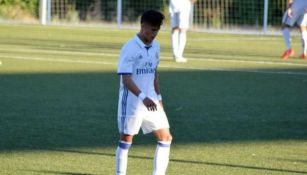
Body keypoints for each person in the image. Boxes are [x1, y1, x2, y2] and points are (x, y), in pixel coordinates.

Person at [115, 10, 173, 175]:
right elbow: (126, 79)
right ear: (143, 26)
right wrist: (143, 97)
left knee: (166, 137)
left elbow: (154, 73)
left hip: (151, 100)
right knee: (126, 139)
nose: (155, 33)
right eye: (152, 29)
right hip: (133, 102)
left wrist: (158, 97)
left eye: (157, 30)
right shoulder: (130, 48)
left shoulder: (156, 47)